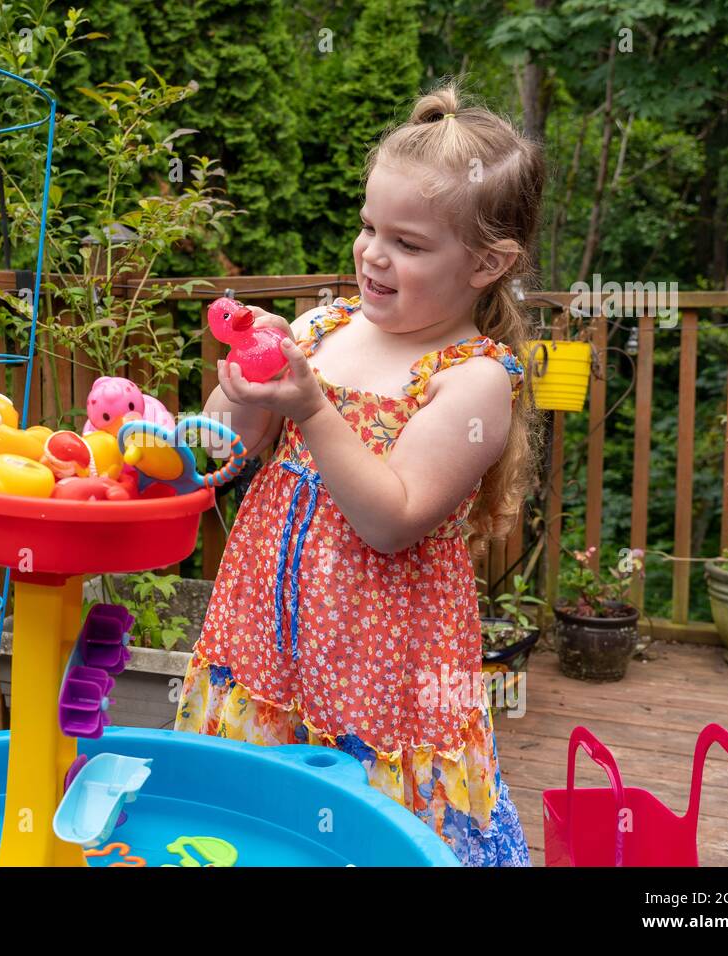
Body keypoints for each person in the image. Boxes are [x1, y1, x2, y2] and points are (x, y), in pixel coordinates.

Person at [174, 81, 544, 866]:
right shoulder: (326, 325)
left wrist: (310, 406)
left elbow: (393, 517)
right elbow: (225, 452)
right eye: (370, 227)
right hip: (265, 638)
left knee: (368, 834)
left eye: (409, 244)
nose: (374, 253)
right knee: (258, 827)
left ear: (487, 263)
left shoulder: (473, 378)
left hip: (384, 667)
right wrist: (245, 383)